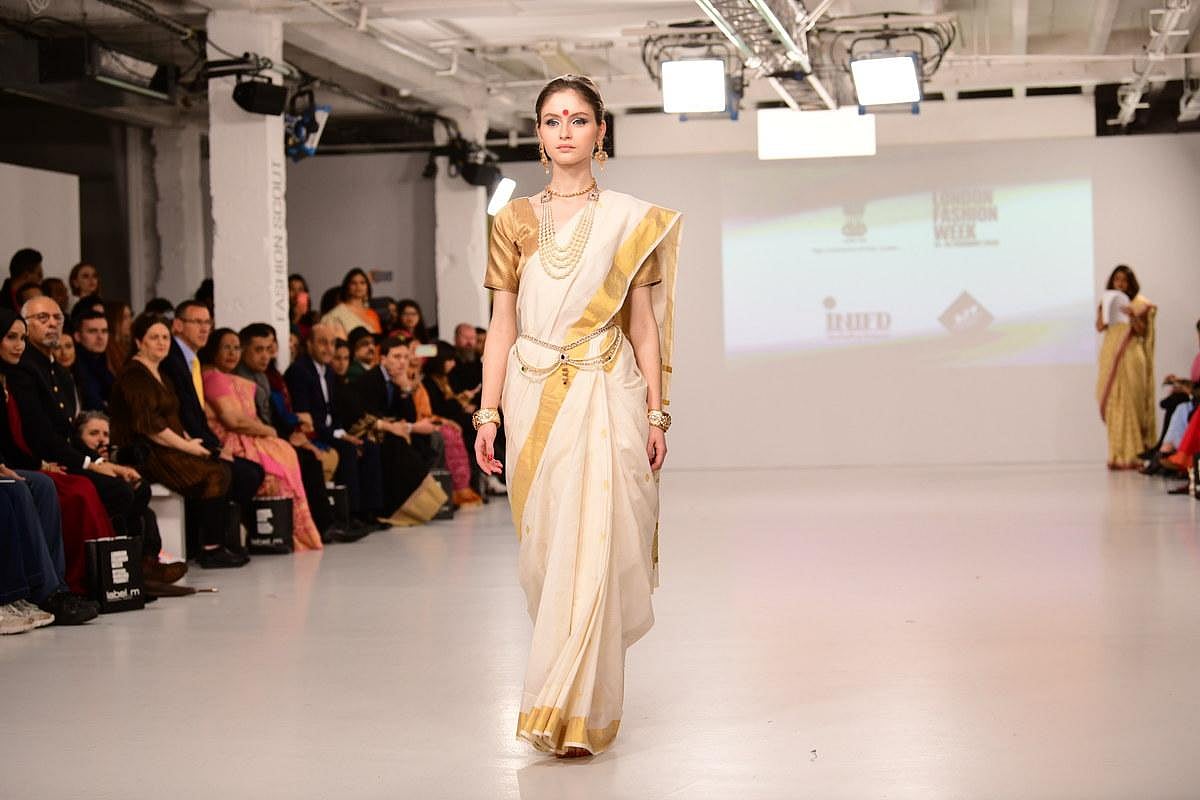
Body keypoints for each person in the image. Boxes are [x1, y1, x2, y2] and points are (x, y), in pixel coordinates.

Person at [474, 75, 681, 758]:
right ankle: (563, 687)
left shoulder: (631, 218)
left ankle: (574, 710)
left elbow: (644, 327)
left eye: (580, 119)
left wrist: (657, 412)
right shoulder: (512, 223)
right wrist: (486, 413)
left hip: (604, 390)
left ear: (600, 132)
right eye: (553, 120)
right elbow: (500, 326)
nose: (565, 130)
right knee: (545, 554)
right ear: (538, 134)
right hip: (532, 391)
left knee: (595, 545)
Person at [0, 308, 124, 600]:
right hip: (17, 464)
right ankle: (34, 591)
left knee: (48, 485)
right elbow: (33, 435)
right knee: (46, 487)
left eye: (21, 338)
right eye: (11, 338)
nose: (19, 345)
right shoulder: (24, 374)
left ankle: (66, 585)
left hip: (24, 462)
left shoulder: (25, 376)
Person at [108, 314, 248, 569]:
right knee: (214, 473)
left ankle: (210, 543)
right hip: (144, 451)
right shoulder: (134, 376)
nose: (161, 342)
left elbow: (172, 418)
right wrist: (188, 447)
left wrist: (191, 442)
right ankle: (211, 549)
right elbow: (150, 427)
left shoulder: (161, 373)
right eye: (154, 337)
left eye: (165, 337)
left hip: (166, 444)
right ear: (140, 341)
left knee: (223, 468)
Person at [5, 298, 145, 536]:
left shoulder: (59, 371)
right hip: (49, 461)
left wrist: (102, 463)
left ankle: (132, 560)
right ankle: (101, 564)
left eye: (57, 318)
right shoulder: (23, 368)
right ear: (25, 326)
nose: (52, 324)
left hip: (66, 456)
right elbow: (40, 434)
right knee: (118, 490)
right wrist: (90, 464)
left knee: (138, 487)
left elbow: (69, 431)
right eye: (43, 318)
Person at [199, 328, 323, 551]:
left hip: (245, 435)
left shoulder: (237, 377)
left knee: (287, 454)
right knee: (281, 461)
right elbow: (233, 420)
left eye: (236, 347)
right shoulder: (214, 377)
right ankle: (280, 533)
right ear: (213, 349)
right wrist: (269, 432)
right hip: (229, 440)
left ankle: (290, 532)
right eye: (226, 347)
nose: (232, 353)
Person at [236, 324, 359, 544]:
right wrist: (287, 436)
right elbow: (251, 420)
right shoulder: (244, 377)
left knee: (340, 450)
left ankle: (341, 520)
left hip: (275, 435)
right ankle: (322, 526)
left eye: (269, 348)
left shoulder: (263, 376)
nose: (266, 355)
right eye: (259, 349)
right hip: (255, 439)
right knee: (309, 458)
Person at [159, 299, 266, 523]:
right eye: (197, 322)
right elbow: (184, 414)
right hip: (179, 442)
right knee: (240, 473)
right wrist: (213, 448)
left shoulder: (190, 359)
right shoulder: (172, 360)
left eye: (207, 322)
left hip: (198, 438)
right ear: (177, 325)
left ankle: (225, 535)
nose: (204, 328)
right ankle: (213, 541)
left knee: (252, 471)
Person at [71, 410, 190, 596]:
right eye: (93, 434)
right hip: (88, 490)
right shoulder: (77, 457)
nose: (102, 440)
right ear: (78, 437)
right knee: (130, 500)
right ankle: (138, 569)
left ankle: (147, 564)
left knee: (146, 509)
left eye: (106, 434)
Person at [286, 323, 384, 530]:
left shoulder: (328, 372)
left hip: (331, 430)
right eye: (322, 342)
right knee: (348, 449)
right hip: (315, 432)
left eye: (331, 343)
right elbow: (308, 417)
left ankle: (370, 511)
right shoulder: (299, 371)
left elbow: (334, 411)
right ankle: (349, 515)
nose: (328, 348)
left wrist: (341, 432)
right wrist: (339, 436)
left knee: (370, 446)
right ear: (309, 344)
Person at [350, 336, 447, 525]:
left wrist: (404, 389)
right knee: (398, 447)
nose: (402, 362)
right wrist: (396, 426)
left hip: (390, 431)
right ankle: (390, 510)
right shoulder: (371, 379)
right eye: (396, 356)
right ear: (383, 358)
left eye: (404, 357)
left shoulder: (396, 380)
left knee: (422, 443)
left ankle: (416, 507)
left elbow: (407, 416)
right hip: (366, 431)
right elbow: (365, 415)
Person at [1095, 265, 1157, 469]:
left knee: (1132, 403)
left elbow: (1141, 332)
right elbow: (1100, 327)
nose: (1120, 284)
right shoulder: (1107, 300)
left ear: (1131, 282)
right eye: (1116, 279)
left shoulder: (1140, 304)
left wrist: (1133, 316)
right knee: (1115, 405)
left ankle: (1136, 454)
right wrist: (1104, 312)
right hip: (1110, 357)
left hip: (1131, 357)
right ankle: (1118, 455)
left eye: (1124, 280)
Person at [72, 307, 115, 411]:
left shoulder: (105, 362)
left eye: (104, 331)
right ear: (77, 336)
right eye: (92, 331)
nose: (100, 337)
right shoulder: (74, 367)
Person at [321, 268, 382, 339]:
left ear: (367, 287)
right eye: (353, 283)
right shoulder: (337, 314)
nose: (358, 286)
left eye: (362, 283)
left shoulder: (372, 314)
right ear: (347, 287)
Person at [104, 299, 133, 374]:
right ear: (113, 319)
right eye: (125, 317)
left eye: (130, 316)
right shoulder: (108, 346)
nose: (130, 322)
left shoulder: (125, 345)